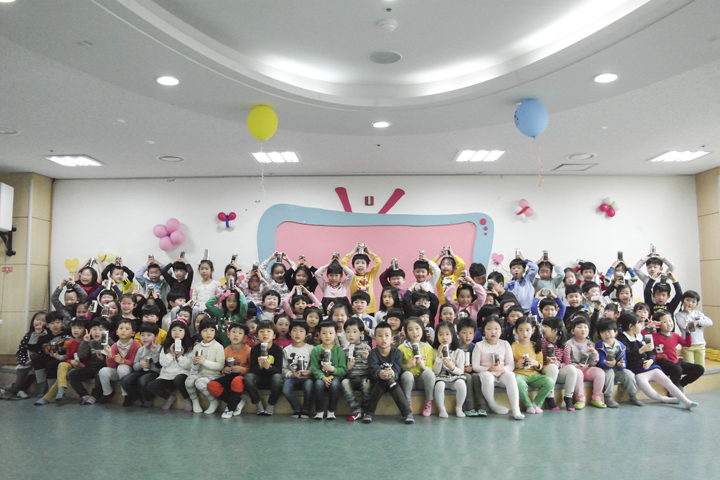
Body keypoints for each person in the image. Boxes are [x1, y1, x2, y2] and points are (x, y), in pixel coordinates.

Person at [617, 313, 698, 410]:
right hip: (636, 370)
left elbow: (651, 352)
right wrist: (641, 350)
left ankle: (686, 401)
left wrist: (651, 361)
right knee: (647, 389)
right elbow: (627, 356)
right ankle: (664, 399)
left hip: (650, 367)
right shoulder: (622, 339)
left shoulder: (640, 336)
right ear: (631, 326)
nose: (642, 326)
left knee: (667, 381)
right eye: (639, 323)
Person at [471, 315, 524, 420]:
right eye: (489, 329)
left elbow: (511, 365)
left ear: (501, 331)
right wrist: (488, 369)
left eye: (496, 329)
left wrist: (502, 369)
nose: (493, 332)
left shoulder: (505, 344)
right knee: (487, 376)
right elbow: (475, 366)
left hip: (502, 373)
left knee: (510, 376)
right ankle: (492, 404)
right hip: (487, 373)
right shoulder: (479, 345)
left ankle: (516, 409)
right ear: (483, 331)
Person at [363, 321, 415, 424]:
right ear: (375, 339)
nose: (383, 339)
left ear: (392, 339)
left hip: (393, 380)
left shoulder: (396, 352)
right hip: (378, 381)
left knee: (392, 383)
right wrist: (379, 373)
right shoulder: (373, 353)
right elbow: (373, 368)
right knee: (379, 385)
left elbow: (397, 368)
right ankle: (368, 413)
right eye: (380, 336)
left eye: (387, 336)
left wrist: (393, 373)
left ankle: (407, 413)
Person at [34, 318, 87, 405]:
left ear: (86, 330)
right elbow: (68, 358)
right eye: (74, 328)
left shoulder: (89, 342)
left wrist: (81, 364)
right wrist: (71, 361)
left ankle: (48, 397)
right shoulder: (71, 342)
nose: (76, 330)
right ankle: (61, 389)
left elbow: (90, 360)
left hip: (84, 367)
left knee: (62, 374)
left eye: (79, 328)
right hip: (73, 364)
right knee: (62, 364)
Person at [147, 318, 194, 411]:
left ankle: (187, 400)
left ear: (185, 332)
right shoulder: (165, 346)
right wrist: (171, 354)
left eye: (180, 330)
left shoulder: (189, 347)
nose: (177, 333)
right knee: (151, 386)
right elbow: (163, 363)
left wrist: (180, 356)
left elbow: (188, 365)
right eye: (174, 330)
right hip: (167, 375)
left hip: (182, 374)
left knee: (179, 380)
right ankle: (169, 397)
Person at [595, 318, 643, 407]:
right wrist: (607, 364)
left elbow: (623, 360)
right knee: (609, 373)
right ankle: (608, 397)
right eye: (603, 332)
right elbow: (600, 361)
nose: (607, 334)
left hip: (616, 368)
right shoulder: (600, 346)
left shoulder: (621, 346)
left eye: (609, 331)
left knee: (628, 374)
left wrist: (621, 365)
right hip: (604, 368)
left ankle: (633, 396)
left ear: (615, 332)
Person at [207, 322, 252, 419]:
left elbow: (253, 369)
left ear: (244, 337)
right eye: (233, 332)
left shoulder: (249, 350)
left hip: (243, 377)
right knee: (212, 385)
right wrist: (224, 370)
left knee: (237, 381)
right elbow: (221, 367)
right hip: (230, 376)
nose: (236, 335)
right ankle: (238, 401)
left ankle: (230, 408)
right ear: (228, 334)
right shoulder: (225, 350)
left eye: (240, 333)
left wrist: (243, 370)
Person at [512, 316, 554, 414]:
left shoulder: (536, 345)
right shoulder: (513, 346)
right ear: (516, 331)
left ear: (533, 330)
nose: (525, 333)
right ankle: (528, 405)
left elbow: (540, 364)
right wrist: (517, 365)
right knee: (519, 383)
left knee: (549, 382)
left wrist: (536, 364)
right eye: (521, 330)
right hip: (519, 374)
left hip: (534, 375)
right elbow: (509, 363)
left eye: (528, 330)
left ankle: (536, 403)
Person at [650, 311, 704, 389]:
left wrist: (687, 333)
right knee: (677, 370)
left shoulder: (675, 335)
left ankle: (680, 384)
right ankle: (672, 389)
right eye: (665, 322)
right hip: (662, 363)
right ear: (658, 324)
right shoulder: (653, 336)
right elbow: (641, 336)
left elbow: (687, 344)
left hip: (675, 362)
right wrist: (649, 327)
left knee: (699, 369)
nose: (669, 323)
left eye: (670, 320)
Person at [92, 319, 139, 405]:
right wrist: (110, 354)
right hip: (118, 371)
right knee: (103, 371)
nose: (123, 330)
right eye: (121, 328)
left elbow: (134, 363)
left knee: (122, 367)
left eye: (127, 329)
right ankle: (107, 393)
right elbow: (111, 365)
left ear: (133, 333)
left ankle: (126, 395)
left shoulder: (135, 345)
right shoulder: (114, 345)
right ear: (117, 332)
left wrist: (122, 361)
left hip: (130, 373)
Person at [1, 312, 47, 400]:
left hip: (37, 364)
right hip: (26, 363)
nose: (39, 322)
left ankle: (20, 389)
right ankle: (12, 388)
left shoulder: (46, 335)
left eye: (43, 320)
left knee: (33, 374)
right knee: (20, 381)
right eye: (37, 319)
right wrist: (24, 361)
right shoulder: (27, 336)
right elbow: (21, 351)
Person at [567, 316, 609, 409]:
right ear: (573, 331)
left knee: (600, 372)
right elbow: (567, 361)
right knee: (577, 373)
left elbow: (593, 363)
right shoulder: (569, 344)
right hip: (574, 369)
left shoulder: (590, 344)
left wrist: (594, 354)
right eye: (579, 327)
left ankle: (597, 398)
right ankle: (580, 399)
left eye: (585, 327)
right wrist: (576, 366)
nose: (583, 329)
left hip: (586, 369)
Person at [244, 320, 284, 415]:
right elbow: (252, 369)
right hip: (259, 378)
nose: (265, 334)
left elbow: (278, 370)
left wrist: (268, 367)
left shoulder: (278, 349)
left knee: (278, 378)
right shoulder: (255, 349)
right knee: (248, 377)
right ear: (257, 335)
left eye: (268, 331)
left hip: (272, 378)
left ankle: (271, 404)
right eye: (261, 332)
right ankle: (258, 404)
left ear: (274, 336)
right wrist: (260, 366)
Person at [185, 318, 225, 414]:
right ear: (200, 332)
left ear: (215, 332)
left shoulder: (218, 346)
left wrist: (204, 362)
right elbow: (194, 369)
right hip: (200, 374)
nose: (208, 333)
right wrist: (195, 363)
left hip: (214, 375)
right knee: (189, 381)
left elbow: (220, 366)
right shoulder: (197, 347)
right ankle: (195, 402)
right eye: (205, 330)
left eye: (212, 330)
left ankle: (214, 401)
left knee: (199, 383)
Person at [399, 317, 436, 417]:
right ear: (406, 332)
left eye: (417, 328)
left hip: (421, 381)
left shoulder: (428, 347)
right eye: (410, 329)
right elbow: (399, 368)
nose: (414, 332)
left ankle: (428, 401)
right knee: (407, 375)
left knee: (429, 373)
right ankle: (407, 404)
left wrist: (423, 366)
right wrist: (407, 366)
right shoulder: (402, 348)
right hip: (409, 382)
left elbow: (430, 367)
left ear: (422, 329)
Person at [310, 320, 347, 420]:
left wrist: (333, 369)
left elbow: (343, 370)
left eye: (331, 333)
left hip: (335, 377)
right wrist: (322, 377)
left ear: (336, 335)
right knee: (318, 385)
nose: (327, 336)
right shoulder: (316, 350)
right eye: (324, 333)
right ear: (319, 335)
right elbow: (315, 368)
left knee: (335, 385)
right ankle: (319, 411)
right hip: (321, 377)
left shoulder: (339, 351)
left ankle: (331, 411)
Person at [540, 316, 577, 411]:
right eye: (543, 326)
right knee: (552, 367)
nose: (542, 329)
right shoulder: (541, 343)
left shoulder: (564, 345)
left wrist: (559, 365)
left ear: (555, 330)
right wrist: (547, 364)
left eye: (546, 326)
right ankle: (549, 397)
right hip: (545, 370)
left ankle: (568, 397)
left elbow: (567, 363)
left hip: (558, 370)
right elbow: (538, 361)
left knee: (572, 369)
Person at [121, 322, 161, 407]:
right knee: (125, 380)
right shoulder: (141, 349)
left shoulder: (160, 348)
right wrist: (140, 365)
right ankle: (136, 398)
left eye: (149, 335)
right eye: (142, 335)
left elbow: (159, 366)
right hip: (142, 371)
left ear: (156, 336)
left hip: (155, 372)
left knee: (143, 380)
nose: (145, 338)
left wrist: (154, 353)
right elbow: (135, 367)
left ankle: (148, 399)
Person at [432, 321, 467, 418]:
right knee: (439, 385)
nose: (444, 337)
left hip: (455, 377)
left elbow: (461, 371)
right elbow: (435, 372)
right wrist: (438, 358)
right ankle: (441, 409)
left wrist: (452, 367)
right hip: (440, 377)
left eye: (447, 334)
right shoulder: (434, 351)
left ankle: (459, 408)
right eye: (441, 334)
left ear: (453, 336)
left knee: (461, 384)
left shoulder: (459, 352)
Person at [340, 318, 372, 421]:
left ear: (361, 333)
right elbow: (342, 371)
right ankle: (356, 410)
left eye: (354, 332)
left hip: (363, 377)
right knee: (344, 382)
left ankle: (366, 410)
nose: (351, 335)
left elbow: (370, 368)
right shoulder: (344, 350)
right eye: (348, 332)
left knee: (367, 384)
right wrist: (348, 367)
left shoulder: (366, 348)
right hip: (351, 378)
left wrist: (366, 359)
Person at [281, 320, 314, 419]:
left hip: (307, 378)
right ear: (290, 333)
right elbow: (283, 368)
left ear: (306, 334)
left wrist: (309, 371)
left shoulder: (311, 349)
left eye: (301, 331)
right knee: (286, 387)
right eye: (295, 330)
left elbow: (314, 365)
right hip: (292, 378)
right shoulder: (286, 350)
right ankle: (296, 408)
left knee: (309, 386)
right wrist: (291, 375)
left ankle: (306, 409)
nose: (298, 334)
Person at [455, 318, 487, 417]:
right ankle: (468, 406)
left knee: (476, 377)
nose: (468, 336)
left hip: (473, 371)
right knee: (467, 377)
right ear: (458, 333)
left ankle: (481, 406)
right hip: (459, 372)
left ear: (474, 334)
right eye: (464, 333)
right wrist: (462, 369)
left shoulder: (475, 347)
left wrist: (472, 368)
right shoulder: (455, 347)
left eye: (470, 333)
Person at [675, 290, 714, 367]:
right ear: (683, 301)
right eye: (687, 300)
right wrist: (688, 314)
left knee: (701, 367)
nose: (690, 303)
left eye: (693, 302)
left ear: (697, 304)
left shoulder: (698, 313)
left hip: (700, 344)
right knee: (689, 367)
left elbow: (710, 322)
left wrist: (698, 322)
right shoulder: (679, 315)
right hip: (687, 345)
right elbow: (684, 326)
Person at [342, 243, 382, 313]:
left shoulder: (370, 275)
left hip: (369, 309)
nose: (360, 265)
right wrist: (354, 251)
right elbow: (343, 262)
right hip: (356, 309)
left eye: (363, 263)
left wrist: (368, 252)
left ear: (367, 265)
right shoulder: (351, 276)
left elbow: (379, 262)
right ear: (353, 266)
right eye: (357, 263)